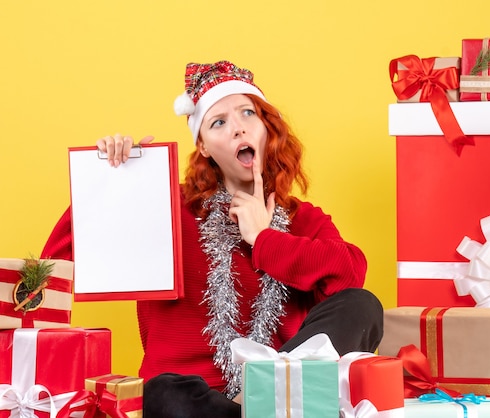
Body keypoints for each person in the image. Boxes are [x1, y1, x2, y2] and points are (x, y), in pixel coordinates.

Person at [41, 60, 383, 417]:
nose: (237, 129)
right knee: (163, 392)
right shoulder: (168, 205)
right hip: (196, 401)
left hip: (284, 395)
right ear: (203, 146)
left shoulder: (304, 218)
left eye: (247, 113)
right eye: (218, 122)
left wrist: (264, 238)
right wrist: (114, 180)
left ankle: (266, 393)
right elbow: (57, 264)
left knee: (363, 304)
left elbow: (349, 276)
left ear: (266, 128)